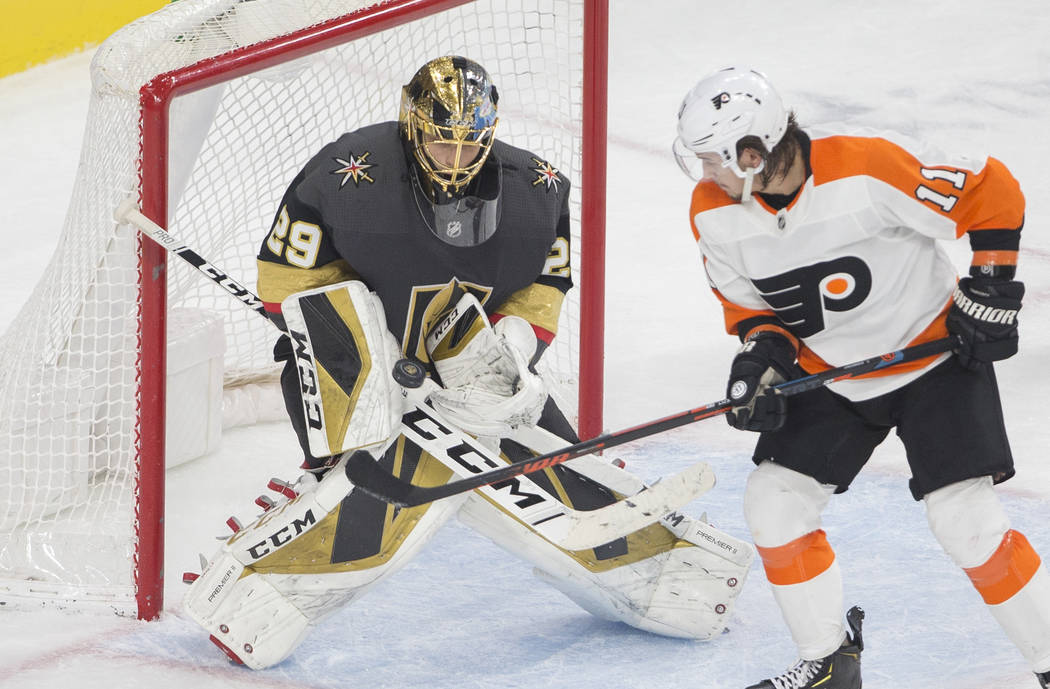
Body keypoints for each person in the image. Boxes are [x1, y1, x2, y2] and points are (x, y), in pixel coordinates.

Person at [180, 55, 751, 669]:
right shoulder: (347, 172)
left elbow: (543, 289)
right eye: (439, 141)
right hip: (360, 367)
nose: (453, 157)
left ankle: (670, 577)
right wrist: (371, 354)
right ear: (411, 122)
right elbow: (286, 281)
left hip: (470, 367)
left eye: (468, 143)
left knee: (533, 442)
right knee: (358, 463)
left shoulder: (537, 187)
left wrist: (513, 351)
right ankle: (303, 519)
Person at [673, 65, 1050, 689]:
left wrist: (991, 283)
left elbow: (991, 188)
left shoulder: (867, 166)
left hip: (932, 361)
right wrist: (760, 361)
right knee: (774, 501)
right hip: (833, 378)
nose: (705, 174)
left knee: (966, 521)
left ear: (753, 152)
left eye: (714, 159)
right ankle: (829, 663)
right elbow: (753, 311)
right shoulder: (714, 212)